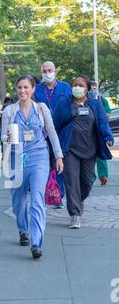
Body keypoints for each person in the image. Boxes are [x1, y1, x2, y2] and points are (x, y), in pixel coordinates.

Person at [1, 75, 63, 259]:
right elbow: (3, 138)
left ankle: (36, 242)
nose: (22, 91)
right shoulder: (9, 111)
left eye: (26, 87)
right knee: (18, 199)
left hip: (39, 157)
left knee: (37, 199)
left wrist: (58, 155)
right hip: (17, 158)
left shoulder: (41, 109)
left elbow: (51, 132)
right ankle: (23, 229)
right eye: (19, 87)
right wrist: (8, 139)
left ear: (33, 89)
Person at [53, 74, 114, 229]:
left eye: (81, 85)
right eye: (75, 85)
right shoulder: (64, 103)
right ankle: (74, 214)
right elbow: (55, 125)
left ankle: (78, 201)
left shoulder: (95, 104)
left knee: (87, 182)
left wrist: (108, 137)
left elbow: (102, 122)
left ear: (87, 88)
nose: (77, 88)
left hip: (90, 149)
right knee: (72, 182)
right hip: (70, 150)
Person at [34, 61, 72, 208]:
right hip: (44, 132)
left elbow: (71, 106)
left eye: (50, 70)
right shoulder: (36, 90)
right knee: (46, 163)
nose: (47, 73)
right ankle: (48, 191)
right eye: (45, 71)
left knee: (60, 160)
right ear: (41, 72)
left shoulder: (65, 87)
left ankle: (59, 194)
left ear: (55, 71)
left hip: (63, 131)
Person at [88, 81, 112, 185]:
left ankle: (103, 176)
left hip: (99, 132)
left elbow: (107, 115)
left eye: (94, 88)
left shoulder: (102, 100)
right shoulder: (85, 100)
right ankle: (91, 177)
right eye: (91, 89)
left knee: (101, 155)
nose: (93, 91)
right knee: (89, 156)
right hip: (88, 133)